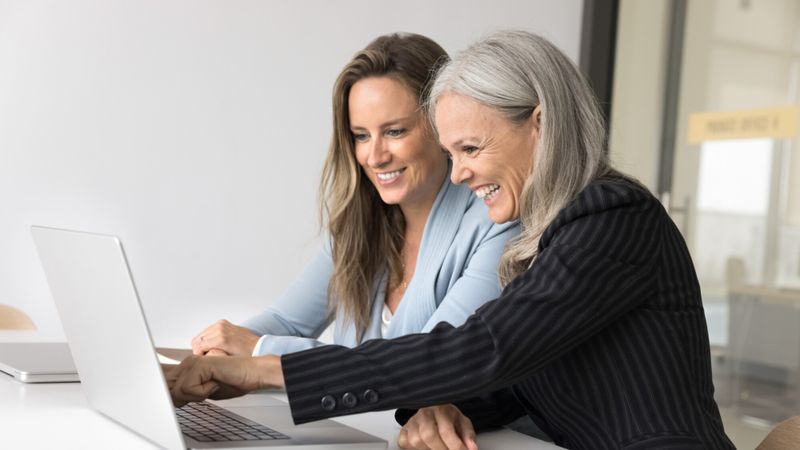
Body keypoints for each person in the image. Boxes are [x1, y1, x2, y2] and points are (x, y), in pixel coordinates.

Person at [167, 30, 735, 450]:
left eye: (470, 149)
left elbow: (486, 348)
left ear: (539, 124)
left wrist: (263, 369)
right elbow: (516, 376)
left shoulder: (612, 216)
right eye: (452, 150)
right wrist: (442, 403)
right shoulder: (550, 229)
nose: (458, 173)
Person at [189, 32, 517, 359]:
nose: (374, 157)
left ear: (442, 125)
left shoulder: (497, 221)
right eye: (361, 136)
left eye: (394, 131)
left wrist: (259, 349)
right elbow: (286, 321)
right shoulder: (361, 224)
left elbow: (427, 362)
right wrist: (218, 352)